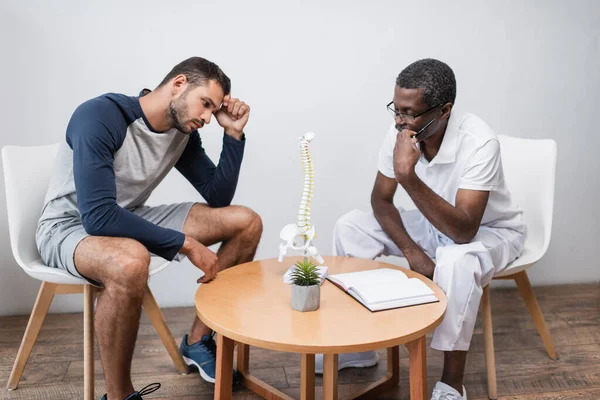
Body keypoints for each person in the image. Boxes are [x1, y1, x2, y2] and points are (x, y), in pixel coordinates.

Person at [36, 57, 263, 400]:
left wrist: (233, 133)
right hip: (68, 227)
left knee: (247, 222)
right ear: (178, 84)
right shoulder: (100, 115)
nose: (206, 117)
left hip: (128, 216)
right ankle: (119, 396)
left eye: (213, 109)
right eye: (205, 103)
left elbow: (218, 196)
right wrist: (184, 243)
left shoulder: (181, 131)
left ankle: (199, 341)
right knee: (130, 262)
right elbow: (97, 217)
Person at [317, 58, 526, 400]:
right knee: (351, 226)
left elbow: (464, 232)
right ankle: (359, 349)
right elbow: (380, 200)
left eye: (410, 113)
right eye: (395, 110)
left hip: (491, 232)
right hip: (433, 224)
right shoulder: (400, 130)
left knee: (456, 262)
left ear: (444, 110)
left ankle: (451, 384)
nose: (401, 121)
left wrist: (407, 176)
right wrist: (414, 253)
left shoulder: (480, 142)